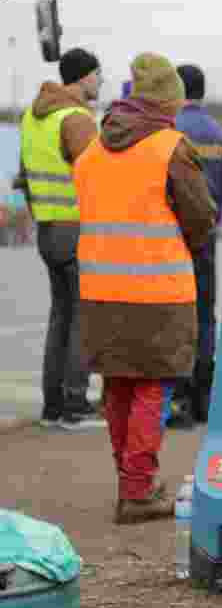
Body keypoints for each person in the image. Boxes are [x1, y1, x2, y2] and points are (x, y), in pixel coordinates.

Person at [73, 52, 216, 523]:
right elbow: (201, 217)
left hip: (98, 290)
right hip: (157, 291)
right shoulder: (171, 146)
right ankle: (137, 492)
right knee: (152, 386)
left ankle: (130, 482)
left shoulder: (92, 148)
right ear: (169, 101)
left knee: (117, 384)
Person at [18, 47, 106, 430]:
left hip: (48, 228)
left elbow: (25, 176)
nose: (101, 81)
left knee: (61, 316)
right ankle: (75, 404)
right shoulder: (77, 119)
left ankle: (53, 404)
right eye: (97, 75)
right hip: (76, 227)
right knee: (81, 317)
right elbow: (98, 179)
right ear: (84, 77)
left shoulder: (33, 116)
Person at [171, 63, 222, 427]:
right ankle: (205, 399)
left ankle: (178, 399)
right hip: (206, 235)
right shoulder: (220, 136)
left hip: (173, 236)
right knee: (205, 316)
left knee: (177, 317)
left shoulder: (170, 130)